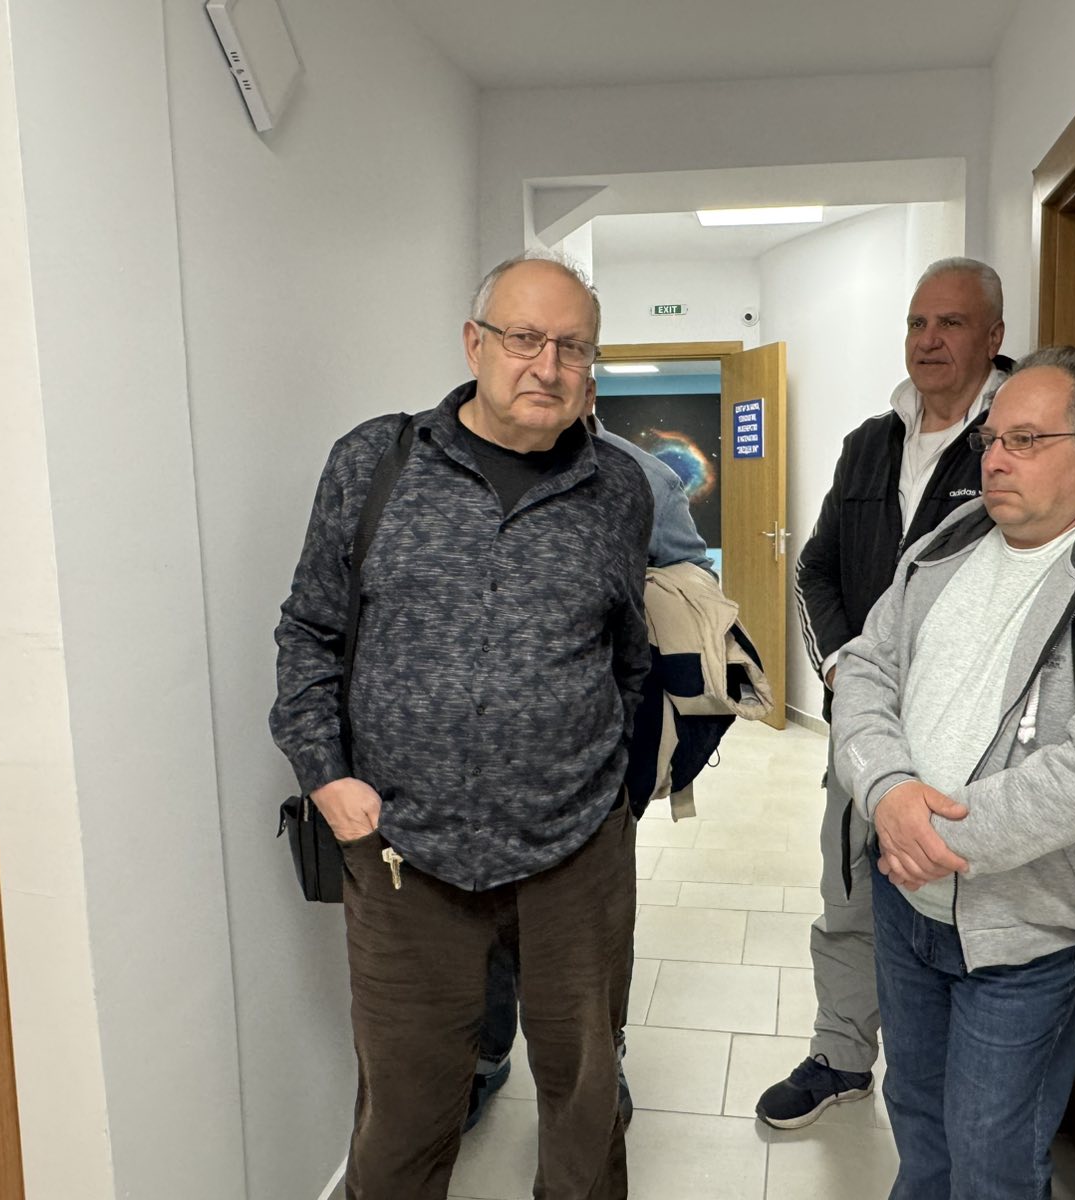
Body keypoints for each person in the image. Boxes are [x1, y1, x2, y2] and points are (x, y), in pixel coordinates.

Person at [270, 252, 653, 1200]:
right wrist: (325, 773)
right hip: (405, 852)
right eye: (525, 338)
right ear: (474, 343)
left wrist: (612, 794)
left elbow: (628, 657)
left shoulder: (619, 487)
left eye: (573, 347)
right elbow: (310, 629)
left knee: (586, 1104)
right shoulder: (376, 462)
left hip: (575, 855)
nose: (547, 366)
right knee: (402, 1118)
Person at [833, 345, 1075, 1197]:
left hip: (1018, 932)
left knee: (992, 1161)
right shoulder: (948, 539)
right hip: (903, 902)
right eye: (991, 438)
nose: (993, 459)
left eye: (1025, 439)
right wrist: (886, 793)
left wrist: (933, 836)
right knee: (917, 1124)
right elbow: (865, 668)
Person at [759, 257, 1013, 1127]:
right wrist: (840, 672)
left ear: (994, 336)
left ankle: (955, 1086)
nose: (928, 340)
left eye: (951, 323)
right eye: (916, 323)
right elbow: (816, 567)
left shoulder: (1016, 438)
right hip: (864, 737)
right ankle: (840, 1055)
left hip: (971, 744)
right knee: (850, 897)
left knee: (958, 908)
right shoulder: (870, 442)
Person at [467, 401, 713, 1131]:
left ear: (589, 381)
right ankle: (485, 1056)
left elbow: (691, 586)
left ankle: (604, 1058)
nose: (544, 375)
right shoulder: (460, 471)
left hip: (598, 752)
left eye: (568, 354)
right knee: (483, 915)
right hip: (477, 759)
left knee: (591, 923)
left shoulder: (644, 477)